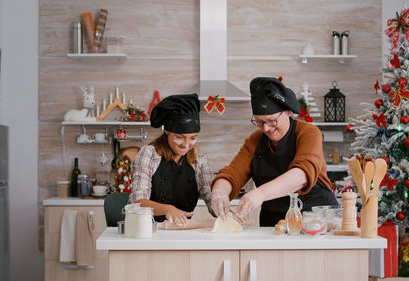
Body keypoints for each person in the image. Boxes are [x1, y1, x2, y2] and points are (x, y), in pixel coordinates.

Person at [211, 77, 338, 226]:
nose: (266, 128)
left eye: (271, 120)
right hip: (272, 225)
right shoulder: (255, 140)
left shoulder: (309, 133)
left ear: (288, 112)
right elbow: (232, 173)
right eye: (259, 121)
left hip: (314, 221)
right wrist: (219, 192)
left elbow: (302, 174)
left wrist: (261, 193)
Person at [129, 93, 214, 226]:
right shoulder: (149, 154)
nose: (186, 145)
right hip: (147, 230)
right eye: (180, 137)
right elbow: (138, 201)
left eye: (193, 138)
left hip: (182, 232)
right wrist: (169, 209)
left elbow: (211, 198)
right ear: (167, 131)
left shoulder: (199, 160)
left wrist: (225, 211)